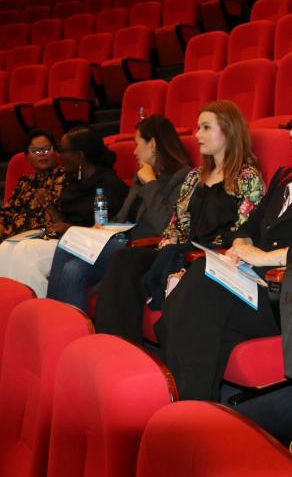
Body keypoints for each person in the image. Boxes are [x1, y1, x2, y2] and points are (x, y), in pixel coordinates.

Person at [156, 93, 292, 401]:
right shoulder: (284, 177)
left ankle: (188, 408)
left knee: (197, 295)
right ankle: (195, 407)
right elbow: (250, 225)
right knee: (200, 310)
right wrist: (241, 245)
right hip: (252, 281)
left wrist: (266, 256)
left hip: (286, 293)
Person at [94, 100, 265, 344]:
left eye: (206, 128)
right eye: (198, 127)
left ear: (228, 131)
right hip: (182, 250)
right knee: (125, 259)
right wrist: (168, 244)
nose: (197, 135)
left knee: (177, 264)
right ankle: (118, 345)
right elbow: (176, 224)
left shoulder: (247, 177)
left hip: (214, 258)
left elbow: (245, 232)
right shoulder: (195, 176)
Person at [46, 115, 192, 312]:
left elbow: (166, 225)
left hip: (148, 249)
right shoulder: (141, 176)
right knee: (73, 270)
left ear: (152, 144)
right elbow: (122, 217)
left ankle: (50, 316)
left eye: (137, 144)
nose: (134, 151)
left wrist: (151, 183)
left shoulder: (182, 177)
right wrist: (102, 229)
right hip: (122, 244)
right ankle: (70, 327)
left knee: (68, 242)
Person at [0, 127, 128, 297]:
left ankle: (40, 308)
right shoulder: (75, 180)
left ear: (79, 155)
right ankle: (11, 307)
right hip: (67, 239)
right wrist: (50, 208)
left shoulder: (108, 185)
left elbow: (106, 229)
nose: (59, 155)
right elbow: (65, 220)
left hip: (87, 245)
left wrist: (70, 228)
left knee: (25, 250)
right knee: (5, 248)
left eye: (62, 150)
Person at [0, 129, 66, 240]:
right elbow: (8, 211)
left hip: (46, 238)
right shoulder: (24, 182)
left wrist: (48, 205)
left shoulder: (65, 177)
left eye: (46, 149)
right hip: (14, 238)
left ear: (55, 151)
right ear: (27, 156)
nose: (42, 154)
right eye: (35, 151)